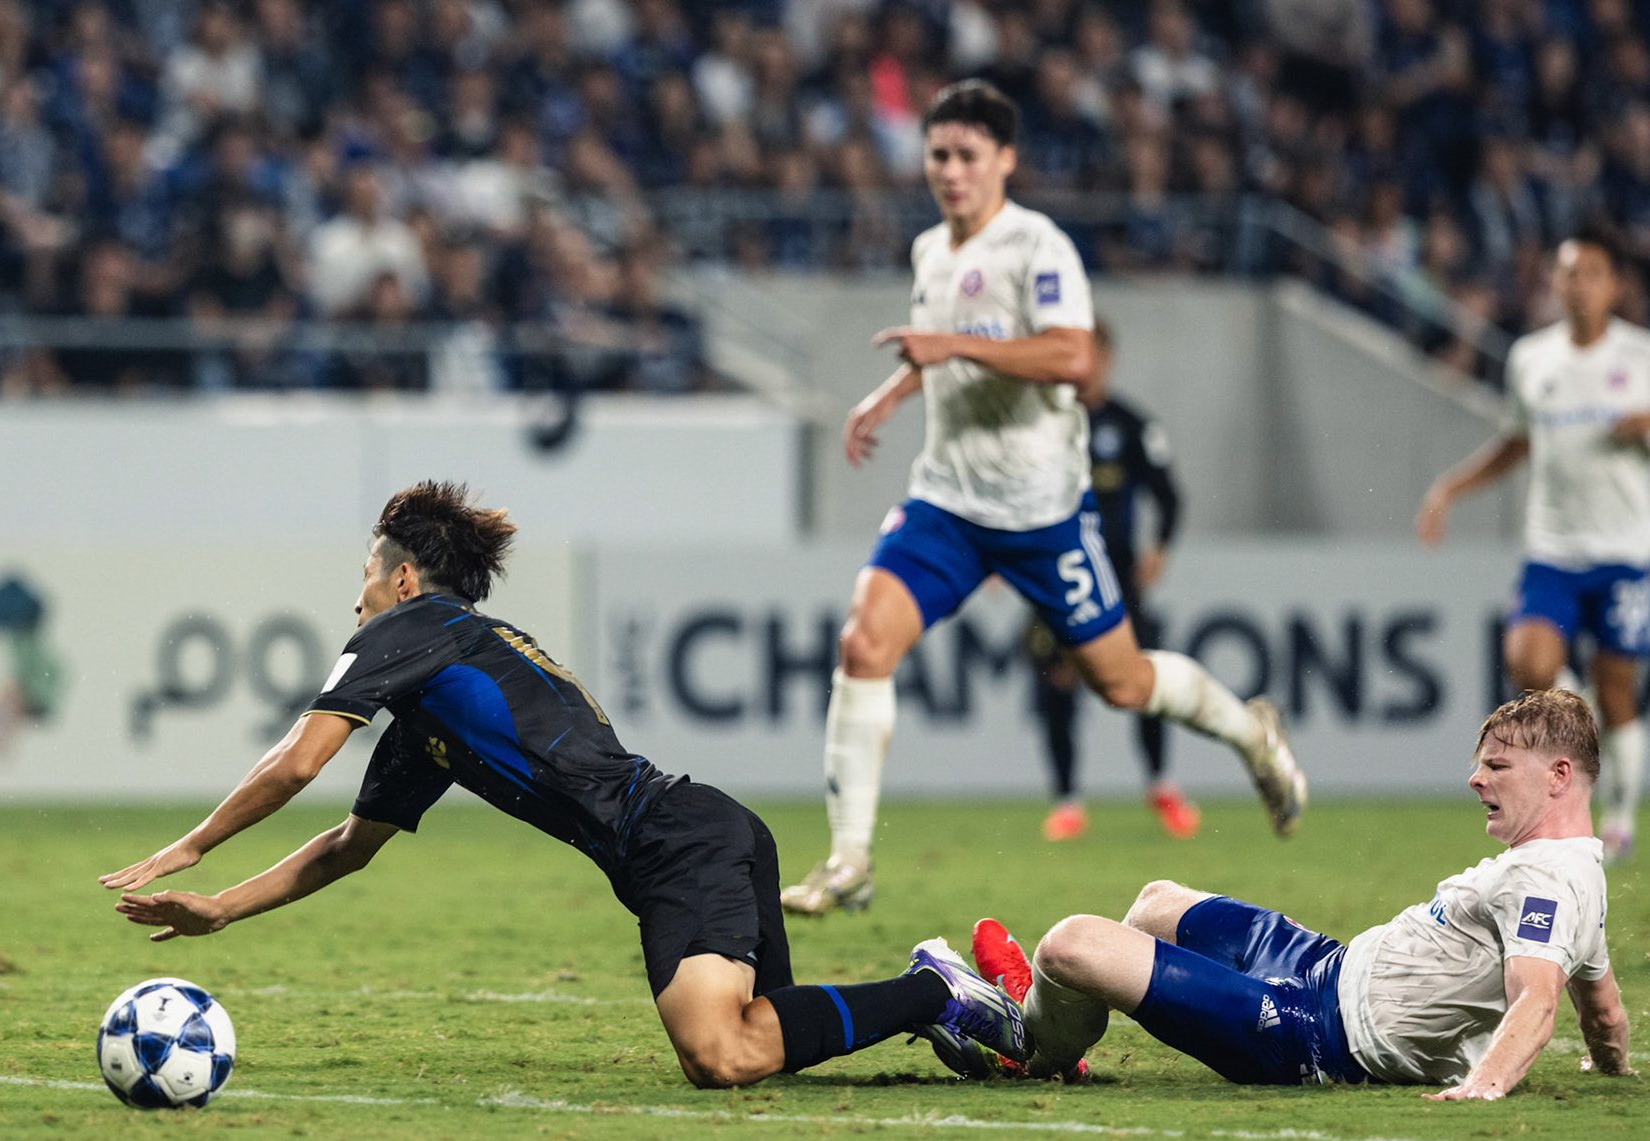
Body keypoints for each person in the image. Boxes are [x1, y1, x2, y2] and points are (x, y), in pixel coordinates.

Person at [100, 482, 1027, 1090]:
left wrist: (192, 843)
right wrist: (220, 910)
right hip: (709, 832)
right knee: (762, 1041)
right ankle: (940, 1010)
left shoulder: (412, 626)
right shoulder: (440, 693)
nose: (357, 602)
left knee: (720, 1054)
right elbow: (349, 845)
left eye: (365, 581)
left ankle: (932, 990)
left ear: (406, 579)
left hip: (679, 842)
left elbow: (300, 759)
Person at [783, 79, 1306, 917]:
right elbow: (938, 354)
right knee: (863, 643)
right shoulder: (931, 253)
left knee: (1125, 684)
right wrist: (888, 395)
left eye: (967, 156)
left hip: (1042, 515)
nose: (950, 171)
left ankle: (1252, 734)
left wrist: (948, 344)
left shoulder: (1039, 248)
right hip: (946, 505)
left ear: (1006, 161)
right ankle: (850, 862)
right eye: (938, 155)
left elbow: (1069, 357)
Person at [964, 689, 1634, 1100]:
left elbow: (1540, 997)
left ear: (1558, 776)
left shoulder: (1544, 877)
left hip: (1316, 1036)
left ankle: (1034, 1044)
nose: (1474, 779)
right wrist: (1612, 1066)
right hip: (1328, 968)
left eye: (1496, 765)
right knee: (1154, 903)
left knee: (1071, 944)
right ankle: (1050, 1014)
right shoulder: (1577, 875)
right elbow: (1601, 1010)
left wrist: (1485, 1086)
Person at [1416, 234, 1650, 862]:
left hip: (1625, 554)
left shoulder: (1649, 356)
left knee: (1620, 692)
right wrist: (1449, 488)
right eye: (1569, 273)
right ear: (1555, 282)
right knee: (1528, 661)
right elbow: (1517, 442)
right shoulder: (1531, 359)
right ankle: (1585, 727)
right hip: (1552, 549)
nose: (1579, 285)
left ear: (1614, 285)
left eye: (1592, 273)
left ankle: (1620, 819)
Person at [1030, 317, 1199, 843]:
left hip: (1119, 579)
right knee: (1055, 683)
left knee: (1143, 680)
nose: (1083, 365)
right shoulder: (1041, 426)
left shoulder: (1131, 425)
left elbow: (1169, 495)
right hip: (1054, 574)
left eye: (1092, 353)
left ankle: (1160, 786)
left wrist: (1160, 547)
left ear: (1107, 358)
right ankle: (1066, 800)